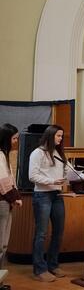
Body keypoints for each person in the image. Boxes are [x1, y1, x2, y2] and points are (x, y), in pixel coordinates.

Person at [28, 125, 67, 282]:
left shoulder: (58, 153)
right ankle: (39, 269)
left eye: (61, 136)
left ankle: (53, 265)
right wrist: (52, 181)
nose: (60, 139)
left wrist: (77, 176)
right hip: (42, 195)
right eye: (58, 136)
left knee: (58, 232)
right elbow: (32, 176)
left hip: (57, 195)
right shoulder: (37, 153)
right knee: (41, 234)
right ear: (50, 136)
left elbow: (66, 171)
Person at [0, 124, 22, 290]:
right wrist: (15, 198)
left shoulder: (4, 154)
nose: (16, 141)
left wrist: (15, 196)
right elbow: (3, 181)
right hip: (2, 202)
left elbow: (10, 178)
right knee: (0, 244)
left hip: (5, 202)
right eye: (14, 138)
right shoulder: (0, 155)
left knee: (3, 244)